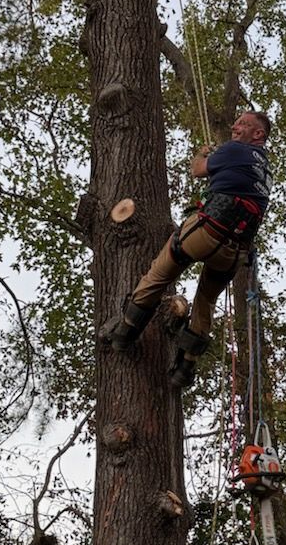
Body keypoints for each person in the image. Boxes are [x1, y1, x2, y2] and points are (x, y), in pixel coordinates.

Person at [106, 109, 273, 386]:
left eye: (244, 124)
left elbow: (198, 170)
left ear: (258, 134)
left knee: (159, 274)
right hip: (233, 252)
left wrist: (202, 153)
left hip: (207, 231)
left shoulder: (235, 150)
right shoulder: (266, 171)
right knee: (205, 302)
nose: (235, 126)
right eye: (237, 122)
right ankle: (185, 368)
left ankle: (124, 333)